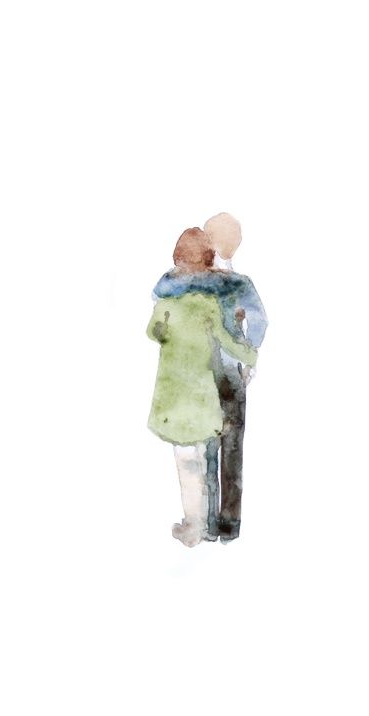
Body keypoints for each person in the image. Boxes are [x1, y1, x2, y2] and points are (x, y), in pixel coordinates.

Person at [153, 213, 267, 542]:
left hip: (197, 374)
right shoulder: (239, 284)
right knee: (232, 449)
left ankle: (207, 525)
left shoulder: (175, 282)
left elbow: (159, 301)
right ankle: (229, 525)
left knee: (206, 448)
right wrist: (249, 355)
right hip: (231, 370)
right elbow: (259, 321)